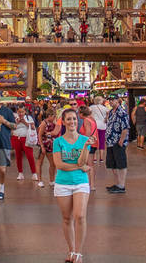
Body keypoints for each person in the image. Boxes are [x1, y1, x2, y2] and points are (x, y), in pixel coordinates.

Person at [52, 108, 92, 263]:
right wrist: (79, 167)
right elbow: (59, 164)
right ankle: (71, 250)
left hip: (80, 182)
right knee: (67, 218)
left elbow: (83, 162)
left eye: (74, 119)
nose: (72, 122)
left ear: (78, 120)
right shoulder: (58, 142)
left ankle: (79, 253)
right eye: (68, 119)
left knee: (80, 216)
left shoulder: (84, 140)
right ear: (63, 121)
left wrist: (81, 163)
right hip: (62, 183)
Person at [105, 94, 129, 193]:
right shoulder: (111, 112)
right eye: (109, 100)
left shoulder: (122, 113)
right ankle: (118, 183)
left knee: (121, 164)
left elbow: (125, 128)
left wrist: (121, 141)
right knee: (113, 164)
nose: (111, 102)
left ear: (117, 101)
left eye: (112, 100)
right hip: (110, 142)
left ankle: (122, 185)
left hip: (117, 142)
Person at [10, 103, 39, 182]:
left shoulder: (29, 118)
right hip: (16, 138)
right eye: (19, 112)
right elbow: (11, 127)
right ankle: (20, 173)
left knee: (30, 156)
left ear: (25, 112)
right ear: (17, 112)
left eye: (22, 112)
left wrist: (25, 123)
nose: (21, 113)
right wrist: (17, 123)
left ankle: (34, 173)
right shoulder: (14, 118)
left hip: (26, 139)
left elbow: (33, 127)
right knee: (18, 156)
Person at [37, 109, 59, 188]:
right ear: (49, 116)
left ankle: (52, 180)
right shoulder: (44, 123)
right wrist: (42, 146)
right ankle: (39, 180)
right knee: (40, 163)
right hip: (43, 144)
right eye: (53, 116)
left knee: (52, 163)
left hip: (50, 144)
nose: (54, 117)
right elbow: (39, 135)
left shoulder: (53, 122)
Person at [77, 106, 98, 189]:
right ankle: (91, 184)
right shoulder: (92, 119)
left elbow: (88, 132)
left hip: (88, 144)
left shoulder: (86, 120)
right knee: (91, 164)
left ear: (82, 113)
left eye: (79, 113)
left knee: (87, 164)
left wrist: (83, 143)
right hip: (94, 143)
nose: (78, 115)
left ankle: (89, 184)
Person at [88, 96, 107, 164]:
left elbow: (88, 115)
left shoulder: (91, 107)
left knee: (95, 141)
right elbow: (108, 116)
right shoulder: (105, 108)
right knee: (101, 141)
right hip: (102, 126)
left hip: (94, 126)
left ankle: (95, 158)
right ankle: (101, 158)